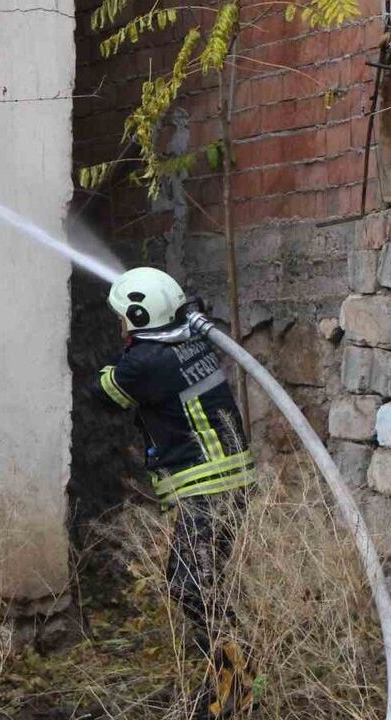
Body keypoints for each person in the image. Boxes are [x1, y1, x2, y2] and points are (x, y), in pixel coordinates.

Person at [83, 267, 257, 718]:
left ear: (139, 315)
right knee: (202, 584)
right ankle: (224, 685)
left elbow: (105, 392)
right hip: (229, 481)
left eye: (123, 318)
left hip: (208, 487)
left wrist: (111, 363)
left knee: (190, 586)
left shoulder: (145, 363)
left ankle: (235, 687)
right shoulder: (192, 341)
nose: (120, 325)